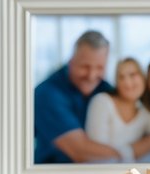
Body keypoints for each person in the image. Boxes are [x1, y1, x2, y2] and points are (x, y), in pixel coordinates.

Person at [33, 30, 123, 163]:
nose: (91, 76)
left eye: (100, 68)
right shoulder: (46, 93)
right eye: (85, 67)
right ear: (71, 62)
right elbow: (80, 152)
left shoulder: (106, 89)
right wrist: (130, 152)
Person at [83, 57, 150, 163]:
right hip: (99, 173)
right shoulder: (102, 102)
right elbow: (97, 155)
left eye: (132, 75)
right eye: (121, 77)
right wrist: (136, 150)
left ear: (144, 78)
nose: (127, 82)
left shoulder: (146, 112)